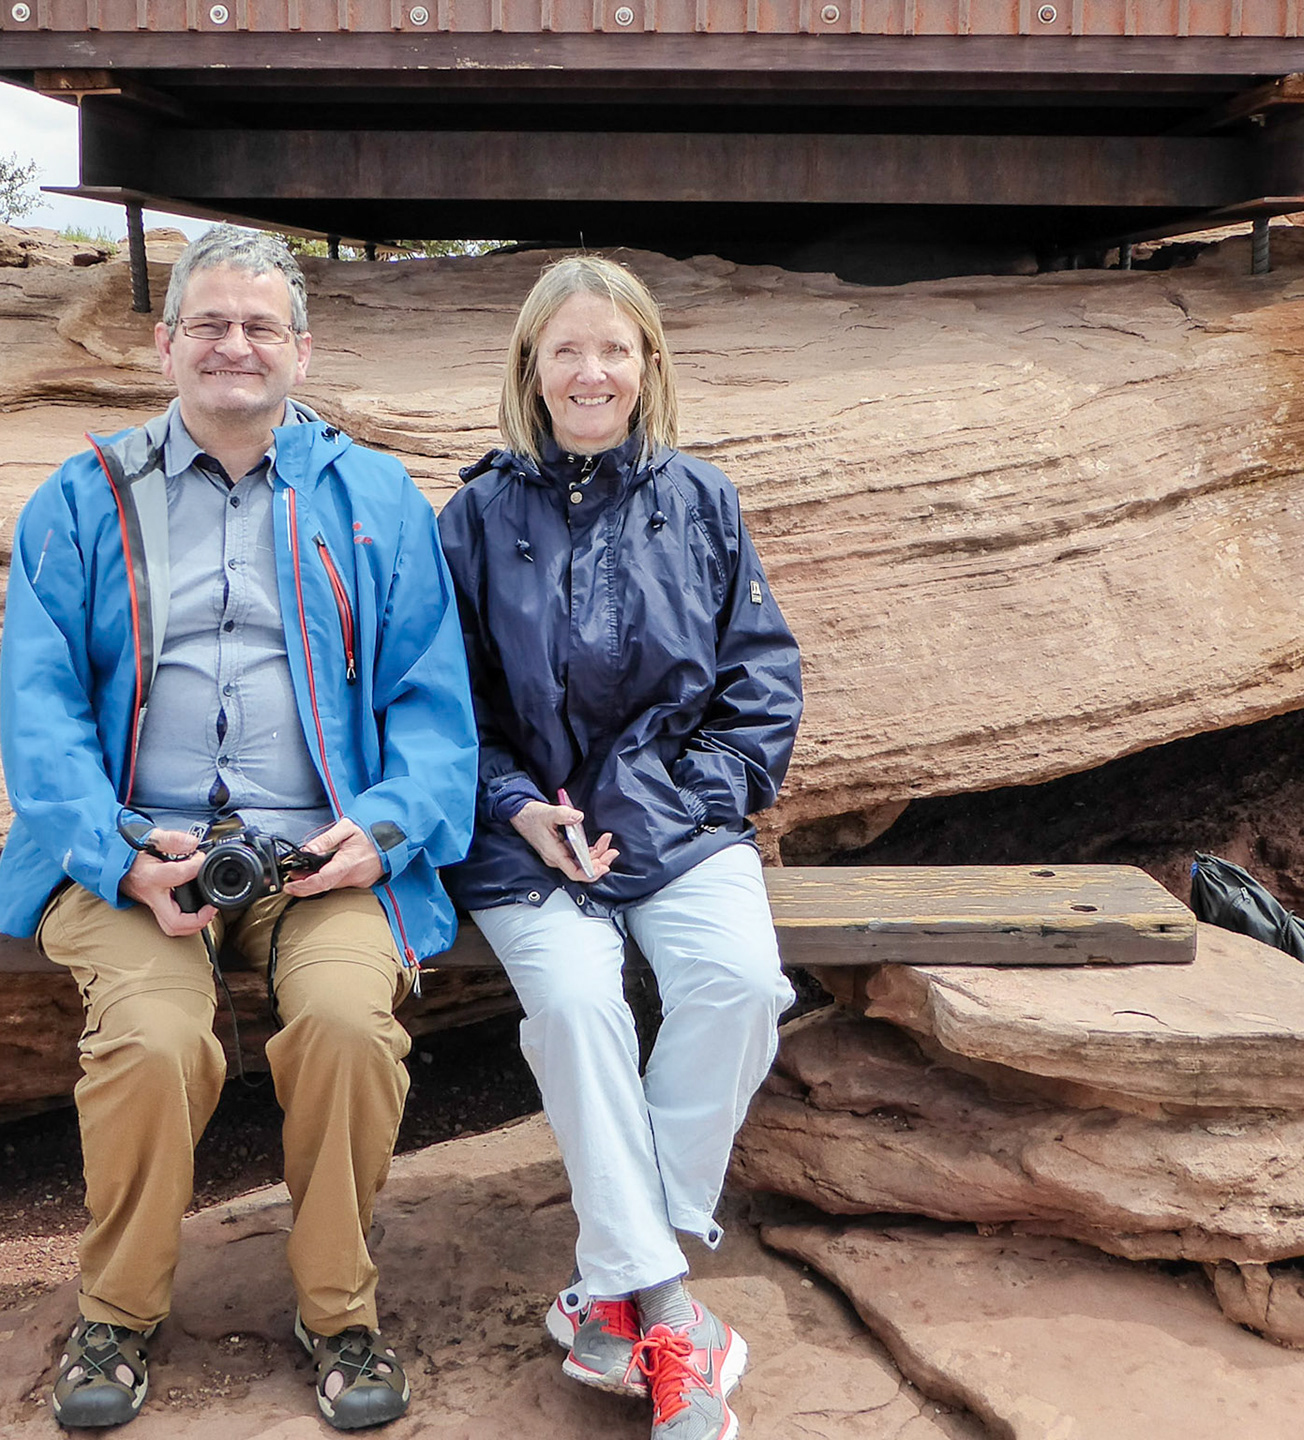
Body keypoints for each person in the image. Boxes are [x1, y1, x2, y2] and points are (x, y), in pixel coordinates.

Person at [0, 226, 477, 1433]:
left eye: (261, 325)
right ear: (166, 346)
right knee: (155, 1043)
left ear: (301, 353)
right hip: (137, 856)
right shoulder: (82, 496)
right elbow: (38, 710)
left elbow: (432, 700)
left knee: (350, 1027)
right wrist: (113, 855)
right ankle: (117, 1313)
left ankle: (338, 1311)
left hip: (321, 854)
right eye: (210, 323)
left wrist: (386, 828)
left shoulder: (372, 496)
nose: (235, 344)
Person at [436, 255, 801, 1440]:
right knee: (583, 1005)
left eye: (614, 350)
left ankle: (608, 1287)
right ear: (530, 373)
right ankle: (668, 1314)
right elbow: (442, 706)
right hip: (520, 840)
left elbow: (758, 690)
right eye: (566, 352)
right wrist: (515, 807)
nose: (591, 372)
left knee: (740, 983)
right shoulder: (478, 517)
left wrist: (661, 805)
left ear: (649, 366)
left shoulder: (702, 502)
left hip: (676, 822)